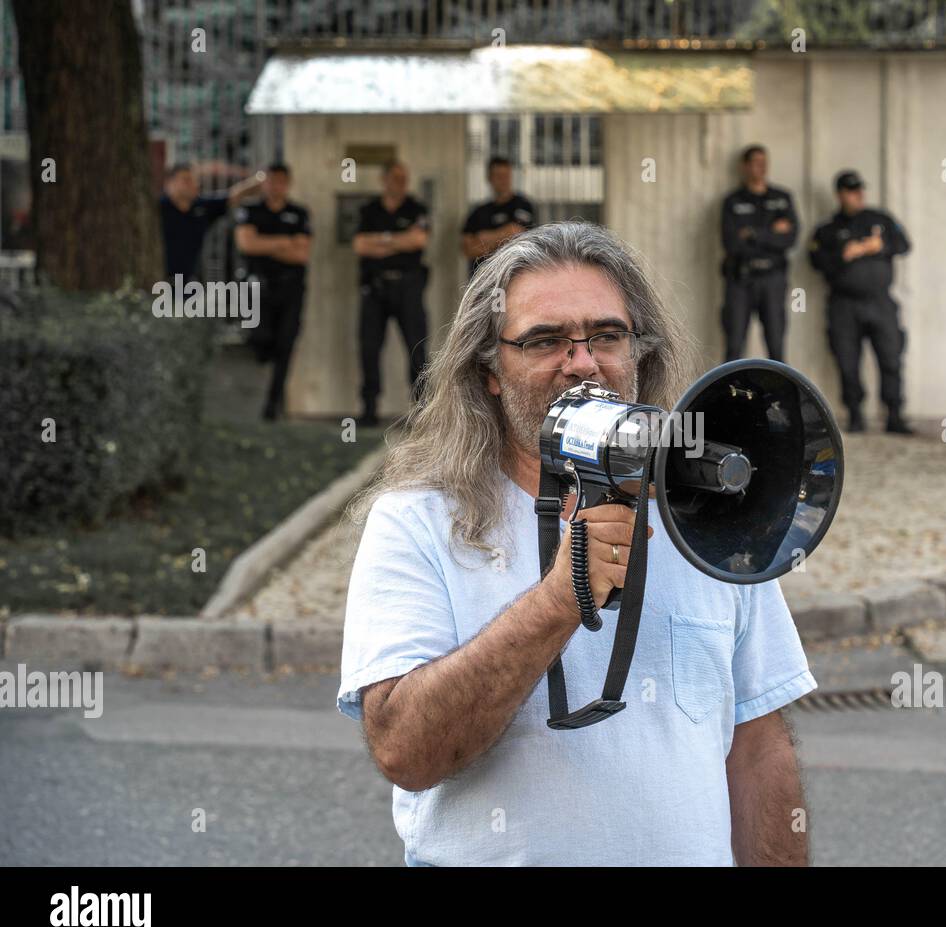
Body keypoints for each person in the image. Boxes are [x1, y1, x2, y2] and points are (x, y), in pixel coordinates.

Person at [339, 221, 817, 866]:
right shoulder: (420, 521)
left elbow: (758, 743)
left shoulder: (708, 519)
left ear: (638, 351)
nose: (584, 361)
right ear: (490, 372)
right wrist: (560, 600)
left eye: (607, 335)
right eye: (544, 340)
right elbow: (406, 753)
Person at [809, 170, 914, 435]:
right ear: (840, 194)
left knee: (891, 357)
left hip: (880, 302)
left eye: (860, 190)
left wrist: (880, 246)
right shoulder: (827, 230)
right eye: (851, 191)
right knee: (847, 360)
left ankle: (894, 415)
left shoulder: (880, 220)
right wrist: (845, 254)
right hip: (844, 305)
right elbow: (816, 262)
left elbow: (904, 244)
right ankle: (855, 414)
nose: (858, 195)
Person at [352, 160, 431, 427]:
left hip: (408, 287)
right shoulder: (369, 210)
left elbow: (418, 241)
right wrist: (399, 240)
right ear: (383, 179)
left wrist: (381, 241)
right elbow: (361, 246)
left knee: (416, 348)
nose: (400, 183)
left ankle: (422, 411)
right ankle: (370, 407)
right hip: (374, 288)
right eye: (395, 178)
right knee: (369, 348)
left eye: (404, 178)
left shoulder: (416, 208)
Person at [233, 163, 312, 422]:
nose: (275, 186)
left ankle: (272, 404)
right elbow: (246, 244)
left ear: (287, 184)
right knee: (261, 337)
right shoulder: (250, 210)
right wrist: (285, 242)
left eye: (280, 181)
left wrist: (264, 243)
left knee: (286, 345)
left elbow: (302, 254)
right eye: (270, 180)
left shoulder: (299, 213)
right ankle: (259, 361)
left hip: (291, 288)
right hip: (258, 286)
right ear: (264, 182)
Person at [720, 144, 799, 363]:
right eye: (755, 162)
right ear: (745, 166)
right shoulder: (733, 202)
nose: (761, 167)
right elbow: (732, 243)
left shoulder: (782, 198)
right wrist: (772, 231)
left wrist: (752, 233)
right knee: (734, 347)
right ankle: (730, 396)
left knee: (776, 346)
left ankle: (778, 395)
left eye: (764, 162)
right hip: (741, 280)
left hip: (773, 279)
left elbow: (790, 239)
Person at [159, 163, 263, 281]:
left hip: (190, 282)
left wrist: (261, 179)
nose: (194, 184)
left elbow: (233, 197)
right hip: (159, 282)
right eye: (186, 180)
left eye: (194, 180)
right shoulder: (158, 209)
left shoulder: (201, 206)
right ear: (169, 183)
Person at [460, 156, 535, 280]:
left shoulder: (522, 204)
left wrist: (483, 237)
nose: (503, 180)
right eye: (498, 176)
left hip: (511, 278)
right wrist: (501, 236)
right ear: (489, 178)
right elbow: (468, 250)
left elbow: (516, 236)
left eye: (506, 175)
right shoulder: (478, 212)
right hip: (482, 281)